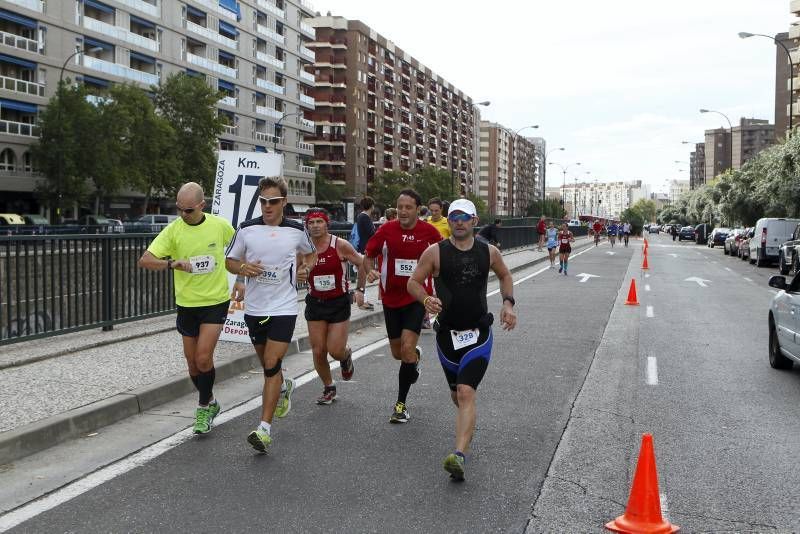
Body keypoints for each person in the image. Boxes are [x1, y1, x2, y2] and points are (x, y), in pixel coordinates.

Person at [407, 198, 517, 481]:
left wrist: (507, 304)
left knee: (467, 392)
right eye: (454, 216)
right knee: (458, 395)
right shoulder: (435, 253)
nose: (458, 221)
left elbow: (505, 275)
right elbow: (413, 282)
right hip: (447, 335)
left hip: (479, 332)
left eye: (464, 217)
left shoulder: (488, 251)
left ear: (474, 221)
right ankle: (467, 425)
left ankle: (458, 454)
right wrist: (426, 298)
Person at [225, 177, 317, 453]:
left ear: (283, 203)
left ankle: (264, 429)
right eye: (263, 201)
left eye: (273, 202)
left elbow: (310, 255)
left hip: (284, 307)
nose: (267, 207)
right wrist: (243, 267)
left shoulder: (297, 229)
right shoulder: (246, 229)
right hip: (254, 308)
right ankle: (284, 385)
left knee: (271, 361)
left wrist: (306, 270)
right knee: (269, 367)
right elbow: (229, 262)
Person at [138, 182, 235, 434]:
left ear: (202, 206)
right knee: (193, 365)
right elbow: (145, 260)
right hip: (186, 304)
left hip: (215, 301)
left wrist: (244, 279)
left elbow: (240, 250)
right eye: (179, 209)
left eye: (188, 210)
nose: (183, 214)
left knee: (204, 357)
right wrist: (171, 264)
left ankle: (202, 408)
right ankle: (211, 401)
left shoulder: (219, 225)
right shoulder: (174, 230)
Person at [358, 188, 442, 423]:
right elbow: (368, 255)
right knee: (399, 353)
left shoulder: (429, 232)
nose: (403, 211)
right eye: (400, 207)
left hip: (416, 298)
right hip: (391, 298)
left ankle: (401, 405)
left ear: (417, 209)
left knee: (404, 350)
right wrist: (370, 270)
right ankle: (414, 357)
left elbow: (443, 256)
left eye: (408, 207)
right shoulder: (386, 229)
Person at [304, 208, 364, 405]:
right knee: (318, 350)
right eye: (311, 223)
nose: (315, 226)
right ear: (307, 225)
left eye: (319, 222)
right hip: (315, 302)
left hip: (338, 302)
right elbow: (295, 269)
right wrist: (298, 273)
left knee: (335, 350)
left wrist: (360, 289)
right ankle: (329, 386)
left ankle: (345, 356)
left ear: (326, 224)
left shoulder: (340, 245)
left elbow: (362, 263)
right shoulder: (303, 248)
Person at [352, 197, 377, 310]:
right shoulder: (365, 217)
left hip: (362, 248)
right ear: (371, 206)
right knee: (362, 277)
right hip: (365, 249)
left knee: (363, 276)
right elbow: (371, 233)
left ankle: (363, 300)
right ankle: (361, 302)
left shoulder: (361, 216)